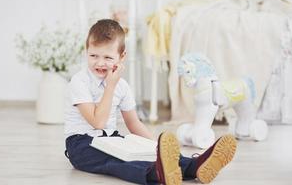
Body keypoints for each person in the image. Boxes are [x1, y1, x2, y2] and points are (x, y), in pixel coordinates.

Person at [64, 19, 237, 185]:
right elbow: (98, 122)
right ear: (86, 52)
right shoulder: (80, 81)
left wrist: (157, 149)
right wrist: (110, 87)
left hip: (111, 139)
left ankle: (195, 166)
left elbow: (133, 123)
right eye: (93, 55)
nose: (100, 62)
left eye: (108, 58)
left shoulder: (122, 86)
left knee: (136, 151)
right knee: (116, 161)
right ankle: (156, 173)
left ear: (121, 56)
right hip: (81, 145)